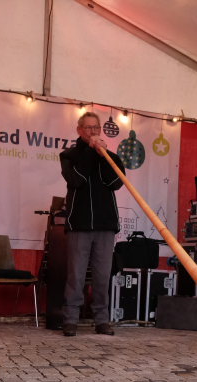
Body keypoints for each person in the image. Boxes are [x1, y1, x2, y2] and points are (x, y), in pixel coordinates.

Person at [58, 112, 125, 337]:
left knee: (102, 276)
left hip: (106, 225)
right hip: (80, 224)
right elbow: (76, 179)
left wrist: (103, 156)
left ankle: (101, 320)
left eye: (96, 128)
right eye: (88, 128)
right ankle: (70, 320)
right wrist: (90, 151)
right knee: (76, 275)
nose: (93, 132)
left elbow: (116, 182)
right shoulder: (69, 155)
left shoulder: (110, 157)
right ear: (79, 130)